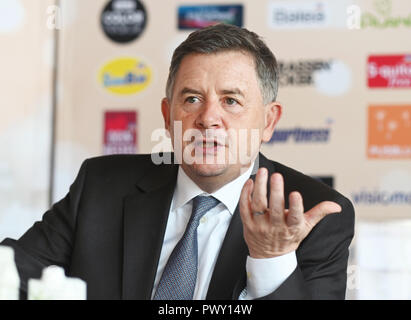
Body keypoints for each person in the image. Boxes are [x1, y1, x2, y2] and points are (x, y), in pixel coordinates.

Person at [1, 23, 354, 300]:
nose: (208, 118)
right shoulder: (101, 185)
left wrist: (271, 258)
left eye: (231, 101)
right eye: (192, 99)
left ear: (269, 121)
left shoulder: (313, 216)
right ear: (169, 115)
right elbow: (11, 274)